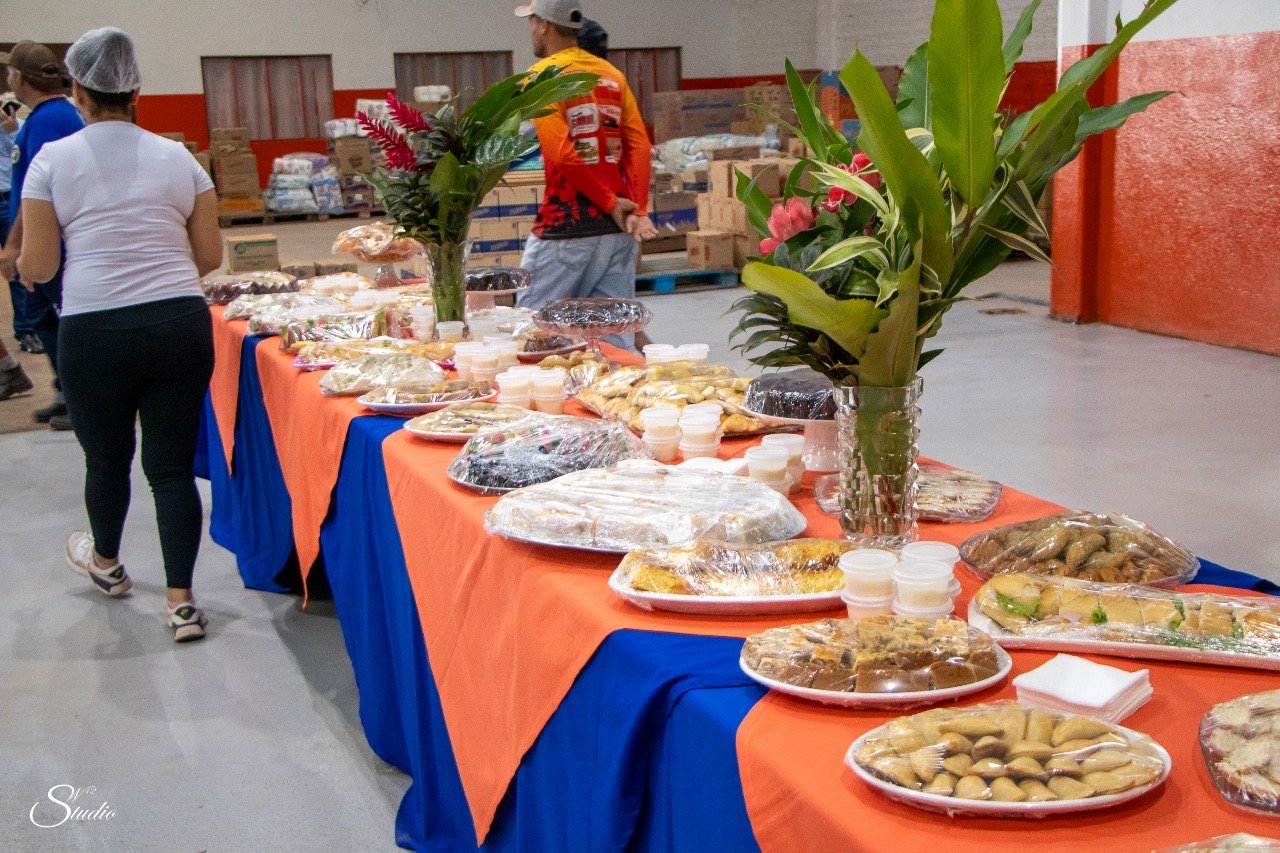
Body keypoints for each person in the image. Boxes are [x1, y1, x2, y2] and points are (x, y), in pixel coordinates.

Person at [17, 27, 222, 642]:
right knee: (170, 468)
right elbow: (208, 257)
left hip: (94, 329)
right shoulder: (179, 159)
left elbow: (40, 265)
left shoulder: (51, 162)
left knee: (106, 459)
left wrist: (23, 265)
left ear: (77, 91)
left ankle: (106, 564)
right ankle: (182, 603)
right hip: (178, 324)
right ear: (136, 92)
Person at [513, 0, 659, 350]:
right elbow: (639, 146)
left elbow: (562, 154)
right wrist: (636, 209)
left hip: (566, 228)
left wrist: (610, 202)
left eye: (531, 21)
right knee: (614, 339)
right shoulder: (612, 76)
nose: (530, 29)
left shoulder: (543, 78)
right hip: (616, 233)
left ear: (544, 24)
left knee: (532, 332)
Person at [0, 41, 84, 429]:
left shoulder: (50, 120)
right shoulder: (46, 117)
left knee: (60, 317)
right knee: (41, 315)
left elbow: (40, 191)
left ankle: (79, 396)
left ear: (19, 77)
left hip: (51, 244)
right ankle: (66, 388)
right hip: (47, 240)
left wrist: (15, 245)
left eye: (9, 73)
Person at [1, 93, 41, 354]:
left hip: (9, 200)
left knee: (16, 266)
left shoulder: (20, 127)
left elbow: (24, 159)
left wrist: (11, 131)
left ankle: (26, 329)